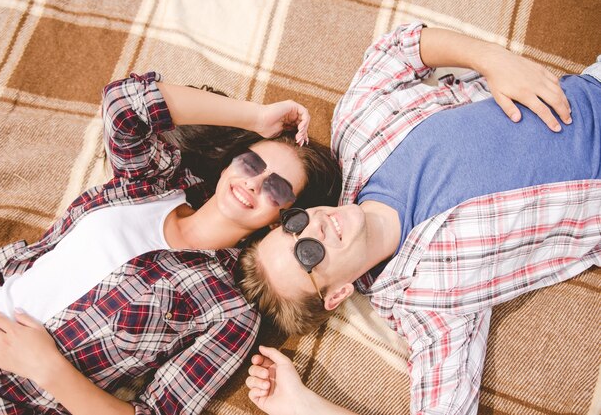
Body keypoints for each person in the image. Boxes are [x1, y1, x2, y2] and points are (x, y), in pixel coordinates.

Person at [240, 22, 601, 414]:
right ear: (338, 293)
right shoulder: (427, 305)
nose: (315, 226)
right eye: (309, 254)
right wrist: (300, 406)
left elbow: (398, 48)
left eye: (294, 225)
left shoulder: (358, 133)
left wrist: (494, 60)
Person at [0, 71, 341, 414]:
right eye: (250, 163)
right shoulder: (150, 186)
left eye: (277, 188)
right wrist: (258, 117)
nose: (253, 183)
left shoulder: (231, 312)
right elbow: (123, 102)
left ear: (284, 219)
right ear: (232, 163)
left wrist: (48, 369)